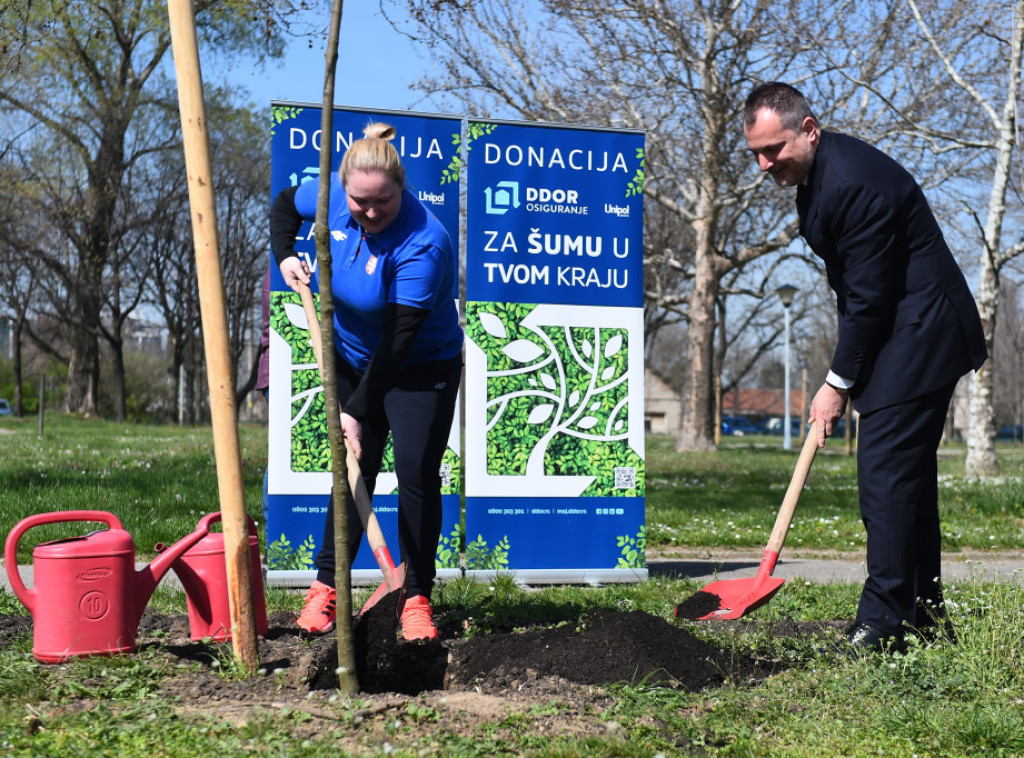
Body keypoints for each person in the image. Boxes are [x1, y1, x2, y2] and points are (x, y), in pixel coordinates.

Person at [743, 82, 987, 653]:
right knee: (905, 483)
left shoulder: (853, 183)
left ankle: (881, 626)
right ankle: (923, 616)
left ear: (809, 129)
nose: (763, 164)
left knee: (883, 477)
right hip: (899, 332)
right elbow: (857, 294)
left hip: (922, 331)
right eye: (755, 151)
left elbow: (869, 298)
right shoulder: (819, 178)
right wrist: (847, 375)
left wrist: (835, 384)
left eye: (773, 149)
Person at [270, 122, 463, 640]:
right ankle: (326, 588)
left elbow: (399, 341)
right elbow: (286, 206)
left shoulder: (427, 241)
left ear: (403, 190)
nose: (371, 213)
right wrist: (285, 253)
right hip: (352, 357)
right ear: (344, 189)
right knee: (354, 474)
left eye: (384, 203)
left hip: (420, 368)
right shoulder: (333, 197)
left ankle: (416, 595)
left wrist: (355, 408)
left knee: (416, 474)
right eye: (360, 203)